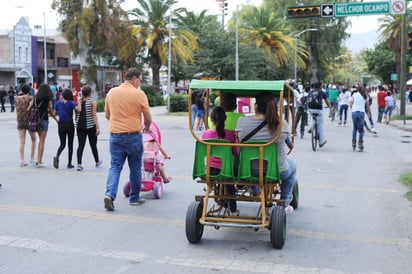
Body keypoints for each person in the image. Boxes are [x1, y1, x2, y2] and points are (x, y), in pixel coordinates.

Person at [236, 92, 297, 213]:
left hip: (248, 171)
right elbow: (287, 141)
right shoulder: (281, 124)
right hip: (276, 172)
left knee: (254, 162)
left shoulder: (242, 122)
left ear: (256, 106)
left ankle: (255, 190)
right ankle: (284, 203)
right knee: (293, 166)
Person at [104, 68, 152, 211]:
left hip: (115, 136)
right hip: (133, 136)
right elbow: (148, 118)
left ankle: (109, 195)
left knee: (115, 166)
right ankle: (134, 197)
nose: (140, 83)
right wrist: (147, 127)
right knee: (135, 167)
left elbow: (108, 115)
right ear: (134, 79)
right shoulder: (139, 94)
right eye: (140, 80)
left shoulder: (111, 93)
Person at [202, 106, 239, 214]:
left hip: (209, 170)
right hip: (226, 171)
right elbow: (235, 153)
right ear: (225, 119)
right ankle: (233, 209)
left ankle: (218, 194)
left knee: (217, 178)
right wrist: (236, 141)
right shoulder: (230, 134)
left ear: (211, 119)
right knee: (230, 185)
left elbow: (203, 152)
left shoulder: (205, 134)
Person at [27, 83, 57, 167]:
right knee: (42, 141)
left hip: (36, 121)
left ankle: (38, 160)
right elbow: (51, 112)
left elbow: (28, 109)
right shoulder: (48, 100)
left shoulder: (35, 98)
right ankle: (39, 161)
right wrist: (56, 120)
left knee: (40, 140)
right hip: (44, 121)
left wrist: (31, 115)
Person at [75, 85, 102, 171]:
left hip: (80, 126)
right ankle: (97, 161)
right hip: (91, 126)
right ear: (90, 93)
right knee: (93, 145)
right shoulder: (92, 102)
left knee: (81, 145)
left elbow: (77, 111)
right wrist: (97, 127)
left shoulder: (79, 101)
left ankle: (79, 164)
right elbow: (94, 115)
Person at [53, 88, 81, 169]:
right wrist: (79, 101)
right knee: (70, 144)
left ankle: (57, 156)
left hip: (61, 124)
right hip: (69, 124)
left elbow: (54, 113)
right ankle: (69, 163)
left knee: (62, 144)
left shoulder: (58, 103)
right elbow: (78, 110)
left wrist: (58, 118)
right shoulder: (71, 103)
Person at [15, 84, 37, 166]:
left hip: (20, 120)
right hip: (29, 120)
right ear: (29, 91)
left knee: (22, 141)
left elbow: (17, 109)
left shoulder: (17, 98)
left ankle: (22, 160)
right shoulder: (31, 98)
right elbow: (31, 108)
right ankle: (32, 158)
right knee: (34, 140)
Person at [307, 82, 330, 148]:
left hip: (310, 109)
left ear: (313, 86)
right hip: (319, 109)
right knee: (321, 124)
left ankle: (312, 126)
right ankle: (321, 142)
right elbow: (326, 101)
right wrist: (328, 106)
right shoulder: (322, 92)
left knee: (312, 116)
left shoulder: (310, 92)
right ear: (320, 86)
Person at [350, 87, 371, 152]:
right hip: (361, 113)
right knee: (361, 130)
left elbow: (351, 102)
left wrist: (352, 107)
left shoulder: (354, 94)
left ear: (358, 90)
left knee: (355, 128)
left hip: (354, 112)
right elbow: (367, 105)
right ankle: (360, 144)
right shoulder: (365, 96)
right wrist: (368, 113)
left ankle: (353, 142)